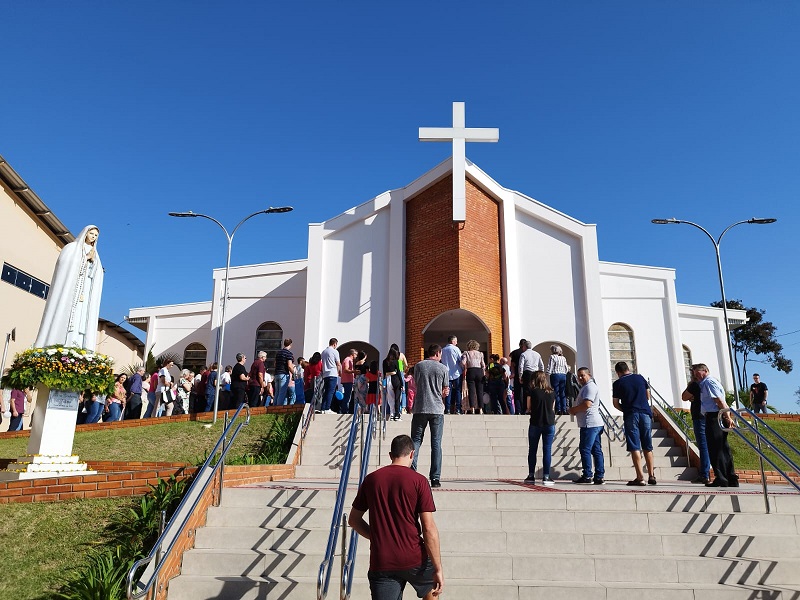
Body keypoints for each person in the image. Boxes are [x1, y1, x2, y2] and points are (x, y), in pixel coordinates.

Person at [349, 434, 444, 600]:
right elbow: (429, 529)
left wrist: (377, 537)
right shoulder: (419, 481)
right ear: (412, 454)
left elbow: (354, 520)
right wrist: (438, 568)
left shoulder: (371, 480)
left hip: (382, 560)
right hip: (415, 557)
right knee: (432, 594)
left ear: (390, 455)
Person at [35, 225, 103, 351]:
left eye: (95, 235)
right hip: (71, 291)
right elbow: (65, 264)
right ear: (85, 233)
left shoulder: (96, 254)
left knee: (79, 320)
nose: (93, 237)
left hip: (85, 291)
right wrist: (85, 259)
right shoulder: (72, 248)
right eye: (91, 233)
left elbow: (98, 273)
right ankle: (57, 343)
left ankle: (76, 346)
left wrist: (93, 263)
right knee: (66, 315)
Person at [411, 344, 450, 488]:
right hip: (437, 409)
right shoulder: (443, 368)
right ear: (438, 353)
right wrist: (443, 392)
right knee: (436, 443)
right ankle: (435, 478)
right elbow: (445, 390)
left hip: (420, 407)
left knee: (415, 440)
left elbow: (415, 384)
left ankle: (411, 471)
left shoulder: (419, 366)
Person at [612, 362, 656, 486]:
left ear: (618, 372)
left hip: (631, 414)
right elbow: (647, 395)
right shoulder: (640, 378)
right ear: (628, 369)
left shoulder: (617, 383)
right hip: (645, 413)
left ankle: (640, 477)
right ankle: (651, 475)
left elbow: (615, 403)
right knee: (647, 445)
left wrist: (625, 409)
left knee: (634, 446)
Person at [695, 363, 739, 487]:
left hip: (715, 417)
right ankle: (731, 478)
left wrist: (727, 417)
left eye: (697, 373)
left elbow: (719, 400)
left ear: (704, 371)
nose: (696, 377)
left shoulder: (709, 382)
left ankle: (722, 477)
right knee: (723, 448)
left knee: (716, 449)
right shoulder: (709, 382)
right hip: (717, 415)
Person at [568, 367, 605, 485]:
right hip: (591, 423)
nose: (580, 378)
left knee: (585, 449)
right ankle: (598, 476)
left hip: (590, 424)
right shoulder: (586, 387)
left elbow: (587, 404)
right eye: (578, 376)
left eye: (582, 375)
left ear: (589, 374)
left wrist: (573, 409)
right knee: (595, 449)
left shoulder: (590, 387)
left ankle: (588, 475)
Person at [525, 371, 556, 485]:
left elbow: (528, 407)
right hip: (549, 423)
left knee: (532, 450)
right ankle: (546, 476)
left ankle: (531, 475)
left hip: (535, 422)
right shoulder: (552, 392)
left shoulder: (532, 391)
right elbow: (553, 408)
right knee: (547, 450)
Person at [682, 366, 710, 485]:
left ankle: (704, 474)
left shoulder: (695, 385)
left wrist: (691, 393)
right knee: (708, 445)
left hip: (699, 416)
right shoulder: (707, 383)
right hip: (708, 415)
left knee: (703, 446)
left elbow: (684, 396)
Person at [517, 341, 544, 415]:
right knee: (535, 390)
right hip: (535, 373)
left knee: (527, 391)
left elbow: (521, 366)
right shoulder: (537, 354)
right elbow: (541, 365)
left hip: (527, 373)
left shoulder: (523, 354)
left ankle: (526, 408)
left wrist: (520, 376)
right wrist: (541, 373)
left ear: (524, 346)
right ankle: (534, 407)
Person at [461, 340, 485, 415]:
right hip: (479, 371)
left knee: (471, 390)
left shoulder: (466, 353)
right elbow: (483, 365)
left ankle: (472, 408)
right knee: (480, 391)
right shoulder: (480, 354)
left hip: (471, 371)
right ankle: (480, 408)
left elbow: (463, 362)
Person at [440, 336, 463, 415]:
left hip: (446, 373)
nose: (457, 343)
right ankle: (458, 409)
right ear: (453, 341)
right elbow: (461, 360)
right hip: (456, 372)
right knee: (458, 391)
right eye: (456, 341)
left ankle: (447, 409)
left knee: (447, 391)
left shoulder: (442, 350)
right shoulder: (456, 349)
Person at [320, 338, 342, 414]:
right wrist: (339, 372)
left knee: (326, 391)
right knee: (331, 391)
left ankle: (323, 408)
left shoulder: (323, 352)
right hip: (332, 372)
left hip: (325, 373)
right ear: (334, 344)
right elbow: (338, 363)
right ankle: (327, 408)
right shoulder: (335, 351)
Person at [547, 345, 569, 415]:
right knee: (562, 392)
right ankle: (564, 409)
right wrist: (564, 373)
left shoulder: (552, 357)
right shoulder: (563, 358)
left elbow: (550, 367)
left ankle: (558, 409)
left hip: (555, 375)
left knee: (556, 392)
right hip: (563, 375)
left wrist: (547, 374)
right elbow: (566, 368)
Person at [274, 339, 296, 406]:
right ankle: (278, 408)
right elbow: (289, 365)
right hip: (283, 374)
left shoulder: (278, 353)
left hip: (277, 373)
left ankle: (274, 407)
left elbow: (275, 364)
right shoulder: (288, 353)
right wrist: (294, 374)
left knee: (277, 392)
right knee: (282, 393)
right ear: (290, 344)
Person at [383, 347, 403, 420]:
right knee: (397, 397)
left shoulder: (384, 361)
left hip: (388, 379)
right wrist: (402, 383)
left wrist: (384, 383)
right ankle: (397, 414)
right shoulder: (395, 361)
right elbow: (398, 373)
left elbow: (384, 373)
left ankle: (392, 414)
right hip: (395, 379)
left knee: (390, 397)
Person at [509, 339, 526, 416]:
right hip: (526, 375)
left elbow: (512, 364)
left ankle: (518, 410)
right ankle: (525, 410)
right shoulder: (527, 353)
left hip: (517, 374)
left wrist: (513, 373)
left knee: (517, 393)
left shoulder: (515, 352)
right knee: (526, 392)